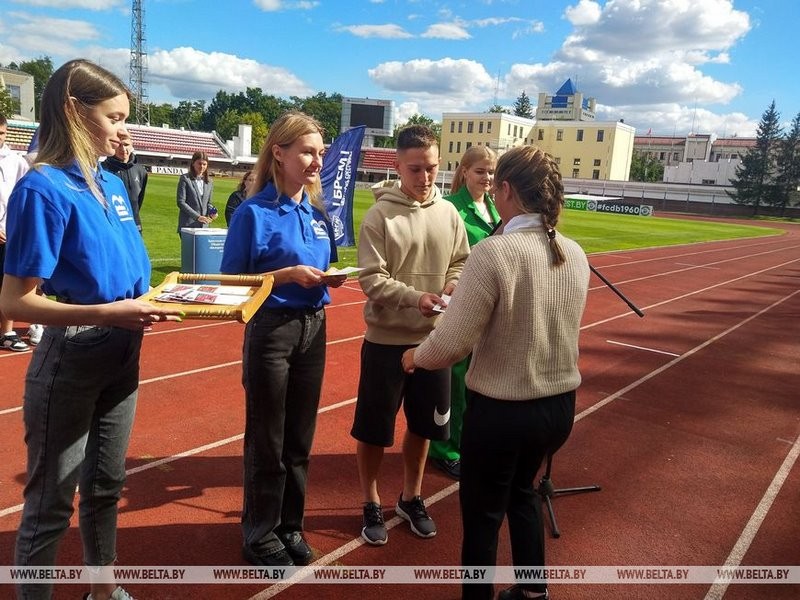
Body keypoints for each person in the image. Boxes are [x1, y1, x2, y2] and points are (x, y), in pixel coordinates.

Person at [0, 58, 183, 600]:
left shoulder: (111, 183)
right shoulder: (43, 189)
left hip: (123, 351)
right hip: (73, 358)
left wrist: (166, 296)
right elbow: (16, 301)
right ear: (73, 112)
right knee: (50, 501)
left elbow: (126, 275)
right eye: (116, 117)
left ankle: (103, 589)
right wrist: (110, 313)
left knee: (106, 486)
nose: (125, 130)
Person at [401, 145, 590, 600]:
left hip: (504, 411)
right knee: (522, 496)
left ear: (506, 189)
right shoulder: (574, 252)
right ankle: (532, 593)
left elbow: (452, 342)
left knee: (483, 518)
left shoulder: (494, 252)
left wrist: (414, 358)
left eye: (495, 184)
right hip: (558, 408)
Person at [220, 111, 344, 567]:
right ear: (279, 152)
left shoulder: (314, 213)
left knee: (299, 438)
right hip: (273, 330)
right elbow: (230, 282)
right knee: (268, 438)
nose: (317, 161)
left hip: (315, 327)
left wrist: (332, 278)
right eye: (308, 152)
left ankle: (291, 525)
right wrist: (286, 275)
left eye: (321, 152)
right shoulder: (254, 213)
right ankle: (260, 533)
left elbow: (323, 266)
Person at [351, 124, 470, 546]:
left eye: (432, 168)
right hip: (386, 341)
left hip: (433, 342)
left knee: (423, 427)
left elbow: (461, 261)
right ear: (397, 165)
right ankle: (370, 500)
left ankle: (411, 496)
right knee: (374, 430)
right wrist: (416, 297)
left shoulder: (450, 213)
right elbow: (371, 279)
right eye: (416, 169)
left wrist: (452, 287)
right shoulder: (379, 215)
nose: (425, 178)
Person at [428, 145, 499, 481]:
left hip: (488, 302)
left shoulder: (495, 210)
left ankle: (465, 441)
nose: (487, 178)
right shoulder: (451, 208)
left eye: (492, 172)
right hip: (458, 302)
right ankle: (445, 450)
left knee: (476, 380)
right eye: (481, 171)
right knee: (455, 382)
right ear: (465, 171)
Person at [0, 113, 31, 351]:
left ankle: (7, 332)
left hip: (8, 233)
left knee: (7, 282)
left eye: (1, 133)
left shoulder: (16, 161)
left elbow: (23, 195)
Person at [102, 139, 148, 233]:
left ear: (131, 146)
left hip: (135, 226)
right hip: (111, 227)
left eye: (126, 145)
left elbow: (139, 200)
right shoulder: (103, 169)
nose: (123, 148)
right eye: (119, 145)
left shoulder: (140, 171)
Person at [176, 150, 216, 232]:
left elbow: (208, 203)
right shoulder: (185, 179)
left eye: (204, 164)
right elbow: (181, 202)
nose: (202, 166)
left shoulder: (210, 181)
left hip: (204, 226)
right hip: (188, 225)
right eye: (199, 163)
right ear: (193, 163)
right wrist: (197, 217)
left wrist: (213, 211)